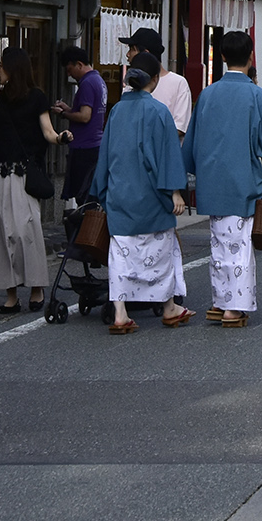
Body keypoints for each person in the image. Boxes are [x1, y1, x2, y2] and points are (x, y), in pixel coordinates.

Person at [182, 30, 262, 327]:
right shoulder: (258, 96)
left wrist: (189, 173)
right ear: (251, 56)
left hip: (213, 180)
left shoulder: (208, 94)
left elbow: (192, 142)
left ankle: (220, 300)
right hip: (244, 181)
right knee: (238, 246)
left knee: (219, 243)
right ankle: (233, 307)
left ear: (223, 57)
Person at [89, 51, 194, 334]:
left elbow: (106, 154)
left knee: (121, 255)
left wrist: (101, 189)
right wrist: (175, 192)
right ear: (155, 79)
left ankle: (120, 313)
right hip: (151, 197)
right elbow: (169, 155)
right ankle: (169, 306)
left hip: (121, 195)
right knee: (162, 251)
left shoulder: (117, 111)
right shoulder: (159, 111)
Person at [0, 46, 63, 314]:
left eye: (2, 65)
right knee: (0, 232)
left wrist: (61, 137)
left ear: (13, 68)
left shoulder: (37, 97)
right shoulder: (3, 97)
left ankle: (37, 287)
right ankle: (11, 294)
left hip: (22, 174)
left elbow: (48, 132)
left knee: (24, 230)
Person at [57, 46, 105, 204]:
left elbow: (85, 116)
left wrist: (63, 114)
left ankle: (82, 228)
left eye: (70, 69)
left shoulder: (87, 83)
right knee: (89, 194)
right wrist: (69, 109)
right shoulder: (98, 80)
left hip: (84, 146)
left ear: (79, 64)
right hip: (95, 144)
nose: (69, 74)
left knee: (82, 196)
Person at [121, 27, 191, 137]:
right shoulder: (131, 83)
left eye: (132, 49)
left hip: (164, 152)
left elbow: (179, 128)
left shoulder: (178, 83)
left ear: (146, 54)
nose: (128, 54)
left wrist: (143, 135)